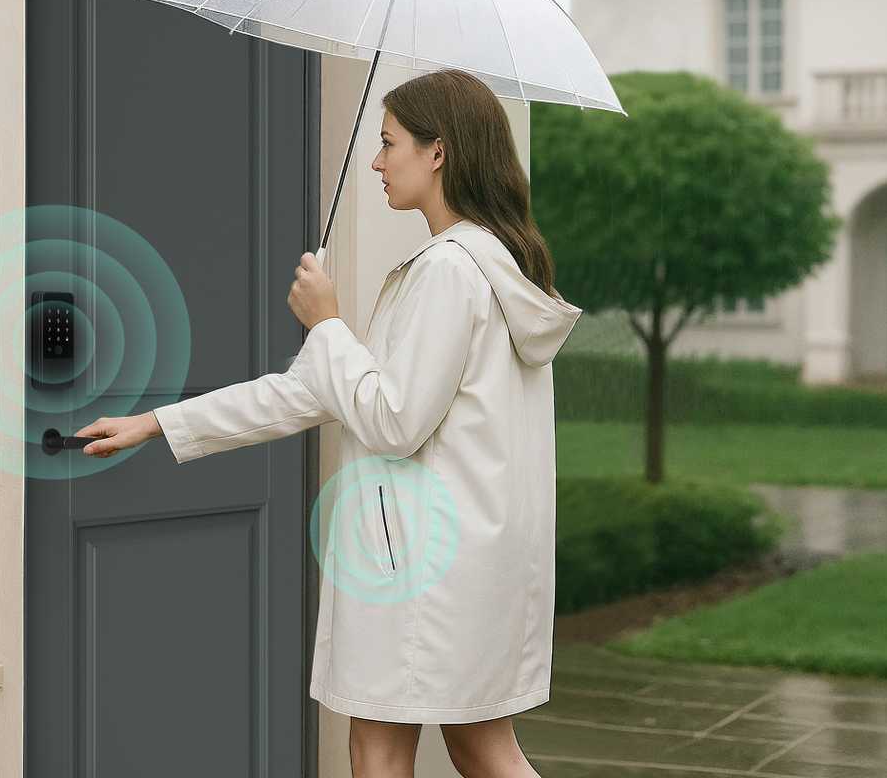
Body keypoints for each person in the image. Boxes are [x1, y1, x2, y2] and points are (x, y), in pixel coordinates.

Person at [76, 68, 581, 778]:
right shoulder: (496, 266)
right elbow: (318, 392)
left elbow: (393, 420)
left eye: (390, 143)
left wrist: (328, 322)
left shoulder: (449, 272)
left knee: (382, 747)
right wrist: (157, 423)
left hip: (420, 562)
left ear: (438, 151)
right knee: (482, 748)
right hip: (474, 556)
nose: (376, 162)